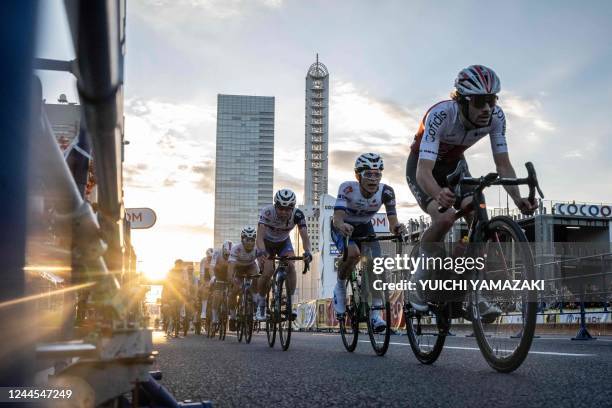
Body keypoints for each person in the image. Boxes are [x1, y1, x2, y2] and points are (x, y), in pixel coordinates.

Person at [405, 65, 537, 315]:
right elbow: (423, 172)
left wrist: (519, 199)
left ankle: (471, 292)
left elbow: (503, 164)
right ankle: (418, 282)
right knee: (444, 218)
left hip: (455, 165)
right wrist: (437, 193)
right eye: (479, 101)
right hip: (423, 167)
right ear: (463, 101)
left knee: (477, 216)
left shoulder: (496, 117)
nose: (487, 108)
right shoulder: (440, 115)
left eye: (492, 99)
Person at [331, 153, 406, 332]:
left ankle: (375, 314)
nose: (374, 179)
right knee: (354, 254)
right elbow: (337, 219)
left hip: (365, 227)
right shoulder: (347, 189)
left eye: (377, 174)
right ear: (358, 176)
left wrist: (397, 228)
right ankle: (340, 286)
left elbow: (392, 222)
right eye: (368, 175)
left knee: (376, 265)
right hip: (343, 226)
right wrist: (342, 226)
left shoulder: (386, 192)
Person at [255, 189, 312, 322]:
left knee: (291, 266)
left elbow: (305, 238)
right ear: (275, 205)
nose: (284, 212)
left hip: (283, 243)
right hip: (266, 244)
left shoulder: (298, 214)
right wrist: (262, 252)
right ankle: (261, 304)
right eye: (281, 208)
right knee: (268, 271)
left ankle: (290, 303)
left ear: (293, 208)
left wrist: (307, 252)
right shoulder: (267, 212)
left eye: (288, 209)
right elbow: (259, 237)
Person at [228, 226, 260, 330]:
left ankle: (254, 299)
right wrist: (232, 281)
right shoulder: (236, 249)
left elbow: (262, 263)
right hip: (238, 268)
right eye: (247, 240)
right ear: (242, 239)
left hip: (250, 266)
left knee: (257, 276)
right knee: (234, 290)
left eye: (252, 240)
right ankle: (232, 317)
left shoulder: (257, 248)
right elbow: (231, 268)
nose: (250, 242)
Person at [210, 240, 233, 329]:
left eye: (229, 255)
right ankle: (214, 316)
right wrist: (212, 277)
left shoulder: (234, 253)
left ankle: (230, 312)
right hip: (218, 274)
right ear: (223, 250)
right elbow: (211, 267)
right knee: (217, 294)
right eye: (226, 255)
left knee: (231, 294)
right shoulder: (217, 253)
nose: (228, 257)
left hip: (228, 273)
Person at [198, 248, 214, 331]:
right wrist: (204, 284)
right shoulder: (203, 261)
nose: (210, 259)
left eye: (211, 257)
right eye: (208, 257)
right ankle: (203, 311)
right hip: (206, 278)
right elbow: (202, 275)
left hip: (215, 277)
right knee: (204, 290)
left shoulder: (216, 260)